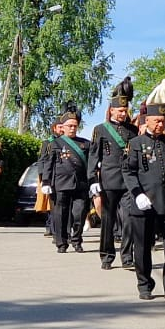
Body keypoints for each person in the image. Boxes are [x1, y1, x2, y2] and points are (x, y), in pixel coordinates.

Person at [123, 100, 165, 301]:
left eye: (163, 120)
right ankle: (144, 284)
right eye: (156, 120)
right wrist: (137, 193)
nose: (160, 124)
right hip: (143, 203)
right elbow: (128, 171)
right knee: (142, 246)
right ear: (147, 120)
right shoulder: (135, 144)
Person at [88, 88, 139, 267]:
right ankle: (107, 256)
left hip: (128, 181)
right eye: (120, 111)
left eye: (125, 111)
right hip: (109, 179)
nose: (123, 114)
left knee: (130, 219)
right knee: (108, 221)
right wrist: (93, 180)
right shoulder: (100, 129)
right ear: (112, 110)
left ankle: (127, 256)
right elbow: (94, 156)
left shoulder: (133, 130)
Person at [38, 113, 90, 253]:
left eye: (75, 126)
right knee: (60, 214)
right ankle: (61, 243)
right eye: (69, 126)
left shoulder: (85, 143)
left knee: (79, 213)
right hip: (61, 183)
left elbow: (91, 164)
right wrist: (46, 182)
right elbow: (48, 163)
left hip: (81, 184)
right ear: (63, 127)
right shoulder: (54, 143)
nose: (72, 128)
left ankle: (77, 240)